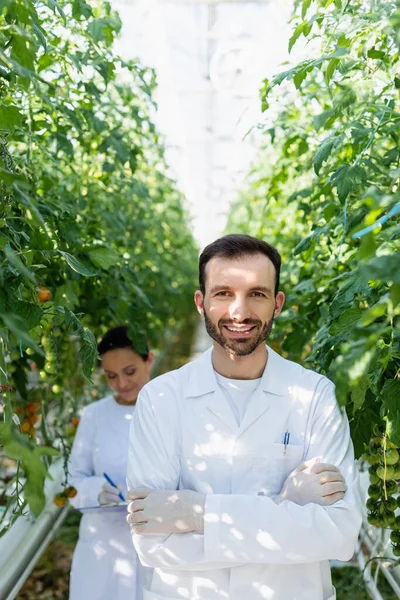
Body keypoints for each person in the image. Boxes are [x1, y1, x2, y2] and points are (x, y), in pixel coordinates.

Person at [126, 234, 362, 600]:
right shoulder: (161, 399)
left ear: (277, 303)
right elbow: (153, 543)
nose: (240, 312)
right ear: (201, 303)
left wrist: (199, 514)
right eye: (223, 293)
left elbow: (340, 533)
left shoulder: (314, 395)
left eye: (257, 293)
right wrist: (288, 508)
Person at [68, 326, 154, 600]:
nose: (122, 384)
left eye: (130, 372)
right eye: (111, 376)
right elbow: (73, 481)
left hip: (155, 542)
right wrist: (97, 491)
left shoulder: (169, 411)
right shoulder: (94, 416)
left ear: (148, 360)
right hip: (102, 546)